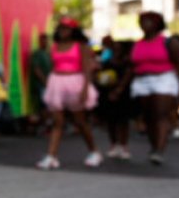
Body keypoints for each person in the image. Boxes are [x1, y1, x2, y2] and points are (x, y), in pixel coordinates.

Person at [117, 12, 179, 164]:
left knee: (160, 114)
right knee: (148, 117)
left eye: (149, 21)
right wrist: (121, 87)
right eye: (142, 21)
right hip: (142, 81)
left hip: (164, 79)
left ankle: (159, 150)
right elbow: (131, 67)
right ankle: (154, 146)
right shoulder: (138, 44)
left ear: (157, 23)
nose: (145, 24)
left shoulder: (169, 42)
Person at [36, 18, 100, 170]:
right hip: (57, 82)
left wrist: (85, 89)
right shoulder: (55, 46)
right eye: (61, 28)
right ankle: (51, 156)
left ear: (74, 31)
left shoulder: (81, 46)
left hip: (75, 82)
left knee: (80, 121)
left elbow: (87, 68)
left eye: (66, 28)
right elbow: (54, 66)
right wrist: (49, 84)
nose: (63, 31)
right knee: (57, 122)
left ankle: (94, 152)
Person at [95, 40, 134, 159]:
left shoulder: (127, 63)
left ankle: (123, 145)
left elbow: (128, 76)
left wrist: (119, 89)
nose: (116, 50)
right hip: (107, 93)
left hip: (123, 94)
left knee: (123, 120)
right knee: (111, 120)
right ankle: (114, 144)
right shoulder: (107, 62)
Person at [29, 32, 53, 129]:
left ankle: (47, 124)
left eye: (46, 40)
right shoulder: (37, 54)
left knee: (48, 105)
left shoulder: (48, 54)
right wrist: (44, 81)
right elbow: (36, 69)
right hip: (41, 84)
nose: (45, 42)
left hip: (49, 84)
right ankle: (45, 125)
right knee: (44, 105)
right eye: (43, 40)